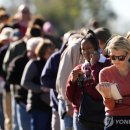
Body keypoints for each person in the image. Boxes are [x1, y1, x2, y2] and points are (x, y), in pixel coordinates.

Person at [66, 29, 111, 130]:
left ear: (96, 48)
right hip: (82, 116)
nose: (86, 52)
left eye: (89, 48)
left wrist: (94, 66)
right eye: (83, 49)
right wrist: (72, 82)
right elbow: (70, 97)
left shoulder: (107, 63)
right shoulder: (78, 69)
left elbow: (99, 88)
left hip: (102, 114)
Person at [96, 35, 130, 130]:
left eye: (121, 57)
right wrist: (107, 97)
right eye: (113, 57)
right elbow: (110, 107)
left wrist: (119, 100)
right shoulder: (105, 73)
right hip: (113, 119)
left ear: (129, 54)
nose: (116, 61)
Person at [21, 39, 55, 130]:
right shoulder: (34, 63)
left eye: (52, 52)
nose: (51, 54)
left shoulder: (53, 64)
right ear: (42, 51)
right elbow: (25, 82)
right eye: (48, 52)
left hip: (50, 105)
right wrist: (40, 88)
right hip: (38, 105)